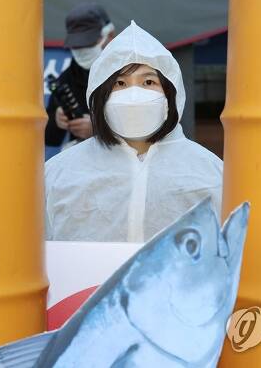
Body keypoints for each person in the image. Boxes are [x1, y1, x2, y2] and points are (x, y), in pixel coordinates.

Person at [45, 21, 223, 242]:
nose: (133, 94)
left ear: (170, 95)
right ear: (100, 97)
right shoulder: (58, 174)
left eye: (148, 81)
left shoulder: (210, 172)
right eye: (119, 83)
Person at [45, 3, 115, 147]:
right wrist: (57, 121)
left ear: (110, 35)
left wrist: (99, 130)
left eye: (88, 43)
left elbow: (147, 124)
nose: (83, 50)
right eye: (77, 45)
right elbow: (50, 139)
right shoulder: (67, 78)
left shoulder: (133, 70)